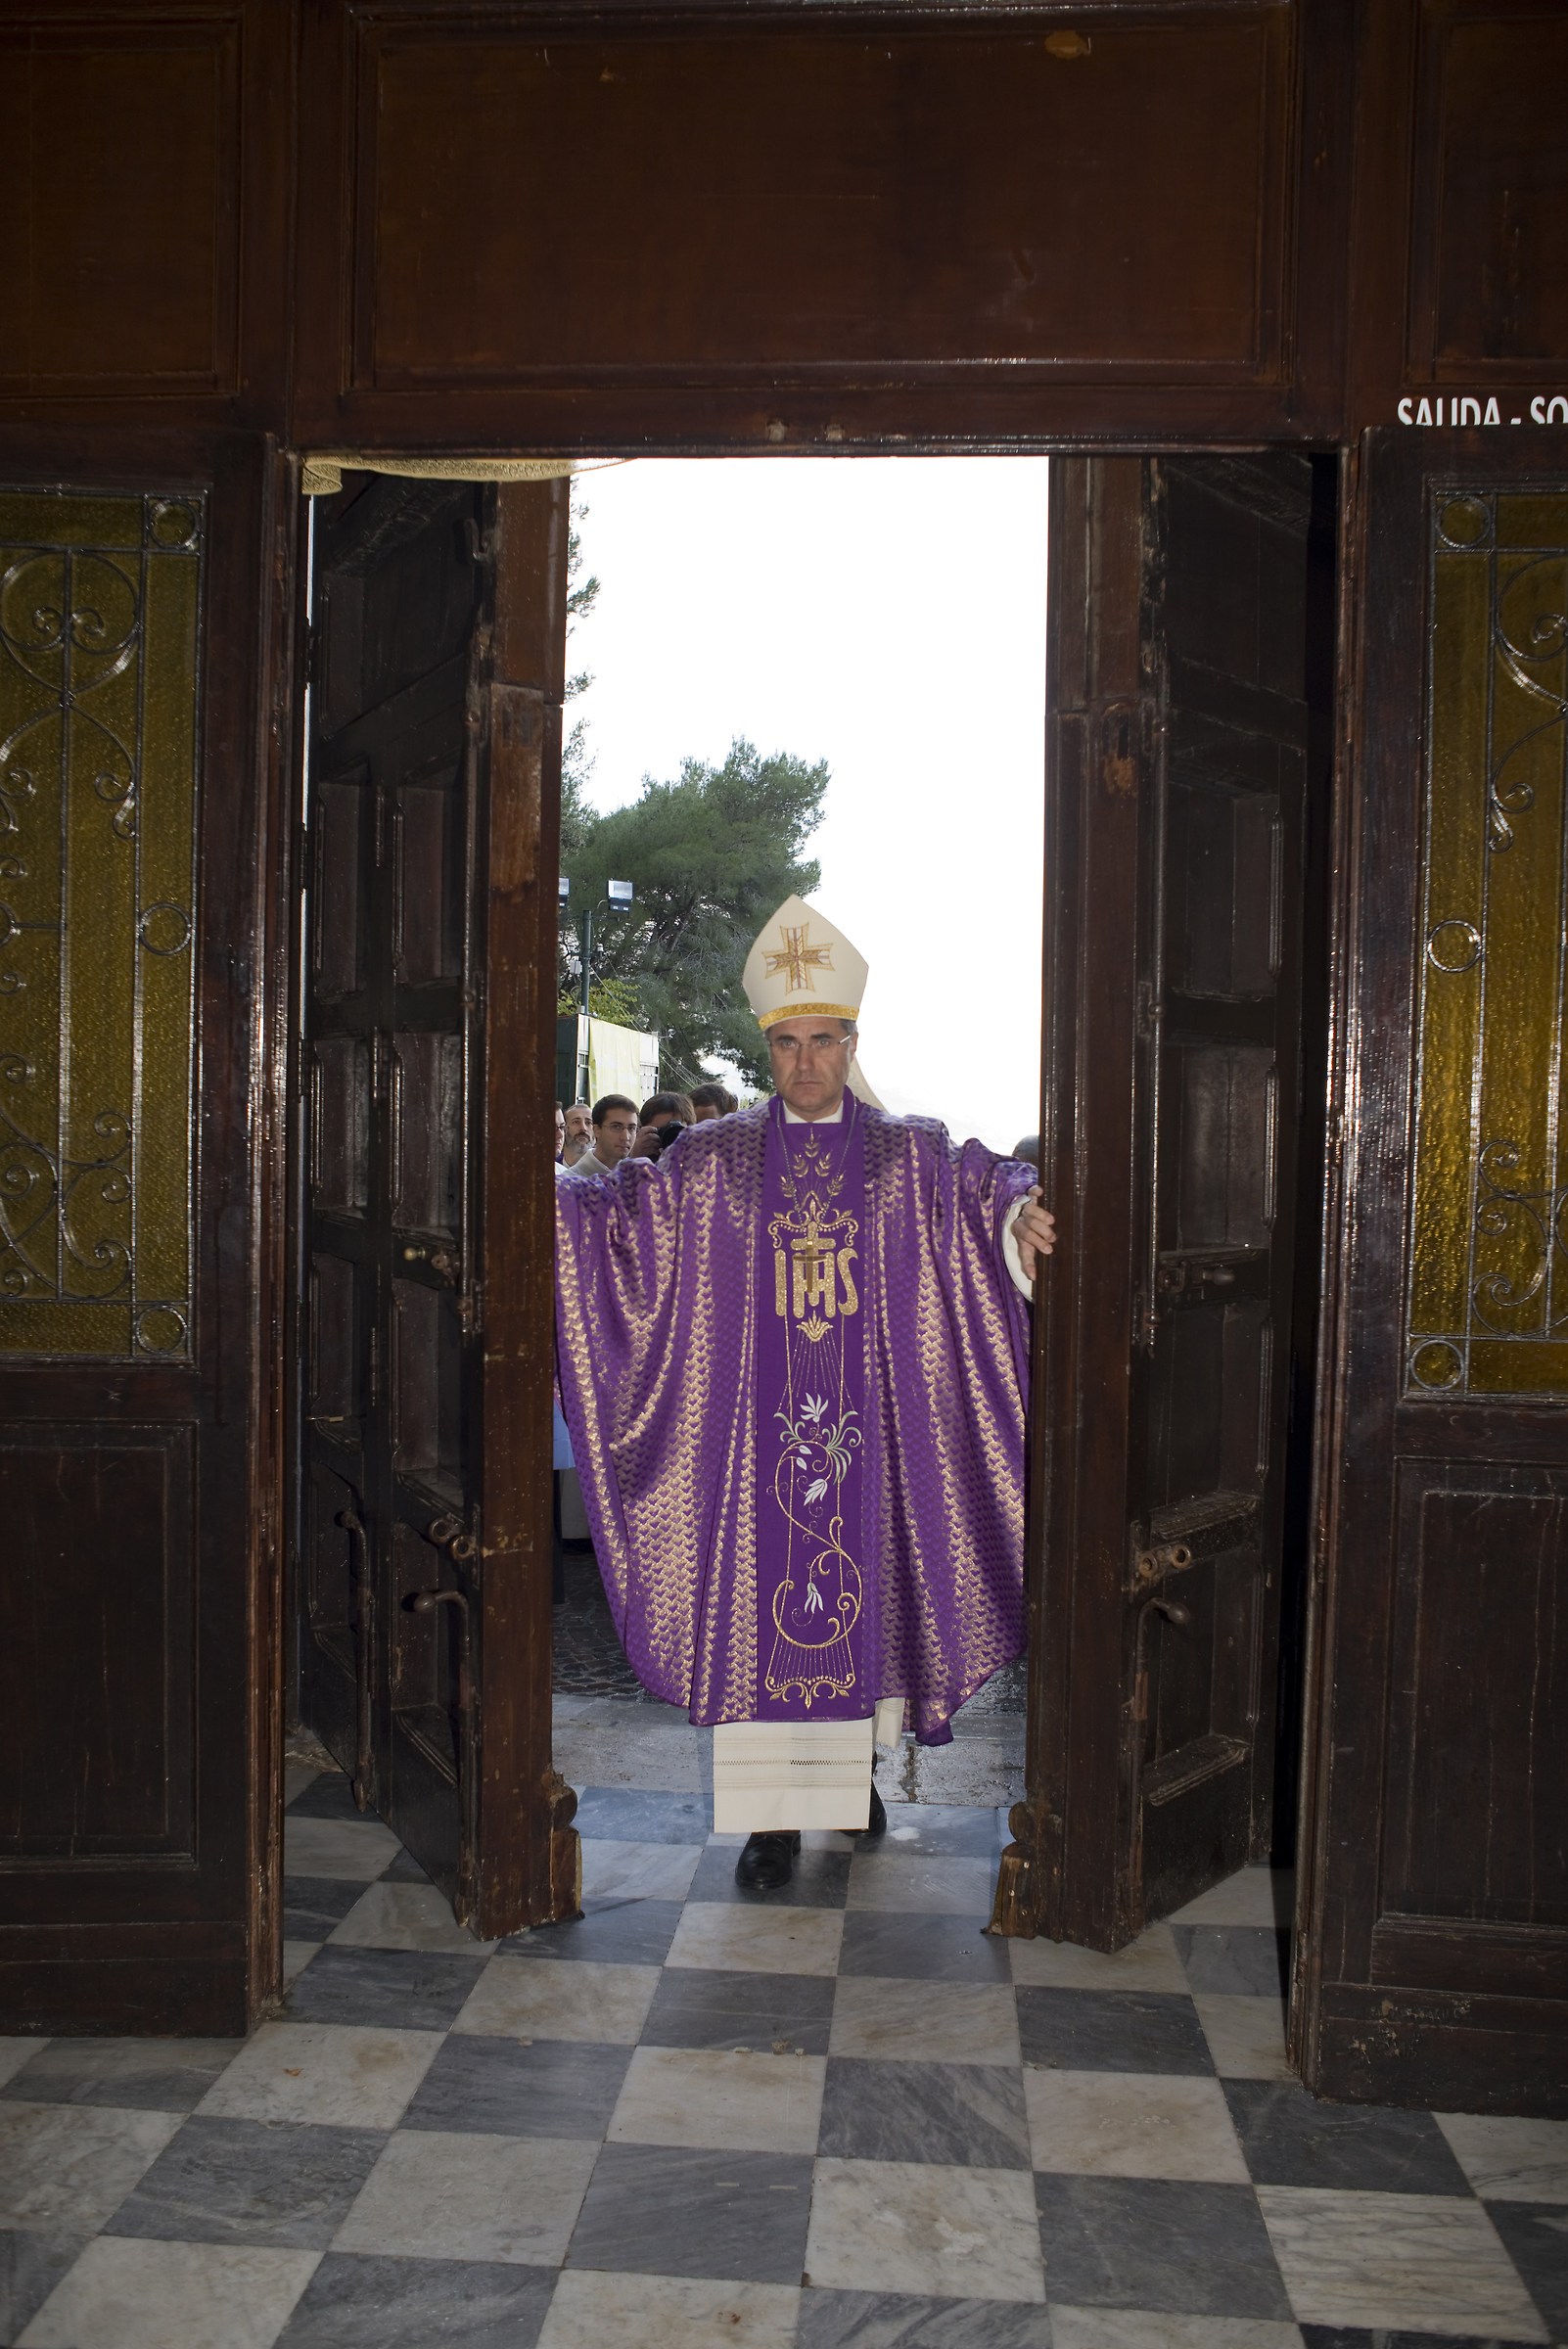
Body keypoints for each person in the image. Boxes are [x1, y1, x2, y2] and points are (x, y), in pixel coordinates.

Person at [554, 895, 1055, 1889]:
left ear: (851, 1039)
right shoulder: (712, 1159)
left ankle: (853, 1783)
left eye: (825, 1041)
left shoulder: (906, 1153)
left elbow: (978, 1186)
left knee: (864, 1606)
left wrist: (1018, 1215)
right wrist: (545, 1195)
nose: (808, 1063)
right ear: (766, 1046)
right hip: (759, 1449)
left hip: (869, 1440)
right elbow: (620, 1223)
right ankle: (771, 1827)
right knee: (763, 1611)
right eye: (788, 1044)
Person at [563, 1094, 639, 1180]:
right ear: (596, 1130)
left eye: (631, 1128)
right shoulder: (568, 1182)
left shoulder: (636, 1177)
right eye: (616, 1127)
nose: (626, 1137)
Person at [562, 1102, 594, 1168]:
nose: (583, 1128)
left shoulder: (607, 1171)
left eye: (588, 1122)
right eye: (576, 1122)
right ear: (564, 1128)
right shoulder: (551, 1167)